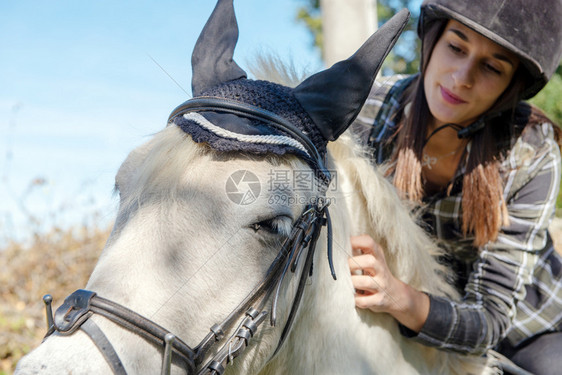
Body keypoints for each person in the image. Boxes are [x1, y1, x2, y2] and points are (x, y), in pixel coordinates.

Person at [349, 1, 562, 374]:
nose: (462, 77)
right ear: (432, 41)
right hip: (397, 315)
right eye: (456, 46)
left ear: (511, 86)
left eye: (492, 67)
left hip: (525, 330)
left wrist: (399, 297)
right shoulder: (365, 111)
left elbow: (492, 318)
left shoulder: (531, 150)